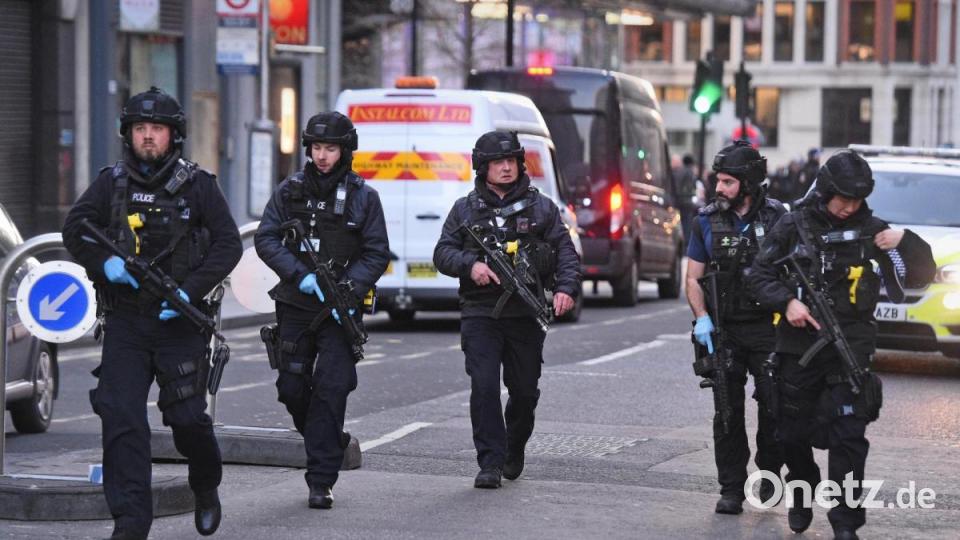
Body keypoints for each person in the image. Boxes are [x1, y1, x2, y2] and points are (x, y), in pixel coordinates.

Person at [62, 87, 241, 539]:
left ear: (173, 135)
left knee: (185, 419)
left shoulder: (199, 186)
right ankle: (130, 524)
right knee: (120, 415)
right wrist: (105, 264)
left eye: (156, 129)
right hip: (126, 321)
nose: (147, 137)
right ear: (129, 134)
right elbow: (75, 229)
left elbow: (228, 244)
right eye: (140, 129)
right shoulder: (111, 183)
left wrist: (187, 291)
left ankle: (205, 484)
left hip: (179, 322)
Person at [747, 150, 935, 539]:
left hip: (849, 352)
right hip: (797, 351)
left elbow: (920, 275)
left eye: (857, 200)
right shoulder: (792, 225)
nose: (850, 208)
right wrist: (788, 301)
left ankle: (846, 525)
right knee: (791, 435)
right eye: (843, 199)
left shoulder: (873, 231)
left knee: (849, 440)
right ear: (826, 192)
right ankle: (802, 486)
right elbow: (758, 275)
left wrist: (906, 241)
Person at [254, 111, 389, 509]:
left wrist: (348, 288)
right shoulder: (289, 190)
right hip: (296, 304)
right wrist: (299, 275)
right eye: (316, 148)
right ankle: (329, 441)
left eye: (330, 148)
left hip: (339, 311)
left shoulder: (364, 197)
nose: (323, 156)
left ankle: (320, 479)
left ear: (345, 152)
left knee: (332, 389)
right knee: (291, 388)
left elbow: (376, 252)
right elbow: (267, 238)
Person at [433, 131, 581, 489]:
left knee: (524, 393)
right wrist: (470, 265)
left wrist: (565, 289)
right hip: (480, 313)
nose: (505, 168)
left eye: (511, 161)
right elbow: (442, 253)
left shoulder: (541, 207)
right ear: (482, 168)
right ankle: (490, 462)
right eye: (497, 163)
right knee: (483, 387)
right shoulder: (465, 209)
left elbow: (566, 252)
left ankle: (514, 447)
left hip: (525, 316)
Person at [685, 140, 787, 515]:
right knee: (727, 411)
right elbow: (693, 278)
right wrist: (702, 319)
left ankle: (769, 475)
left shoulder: (779, 219)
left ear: (748, 182)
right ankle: (730, 488)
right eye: (718, 181)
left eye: (728, 181)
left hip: (769, 328)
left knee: (775, 408)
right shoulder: (705, 220)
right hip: (724, 329)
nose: (719, 188)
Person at [672, 153, 701, 242]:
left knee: (679, 224)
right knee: (687, 224)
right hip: (687, 202)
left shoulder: (679, 172)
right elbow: (692, 187)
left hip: (678, 201)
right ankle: (686, 245)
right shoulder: (690, 172)